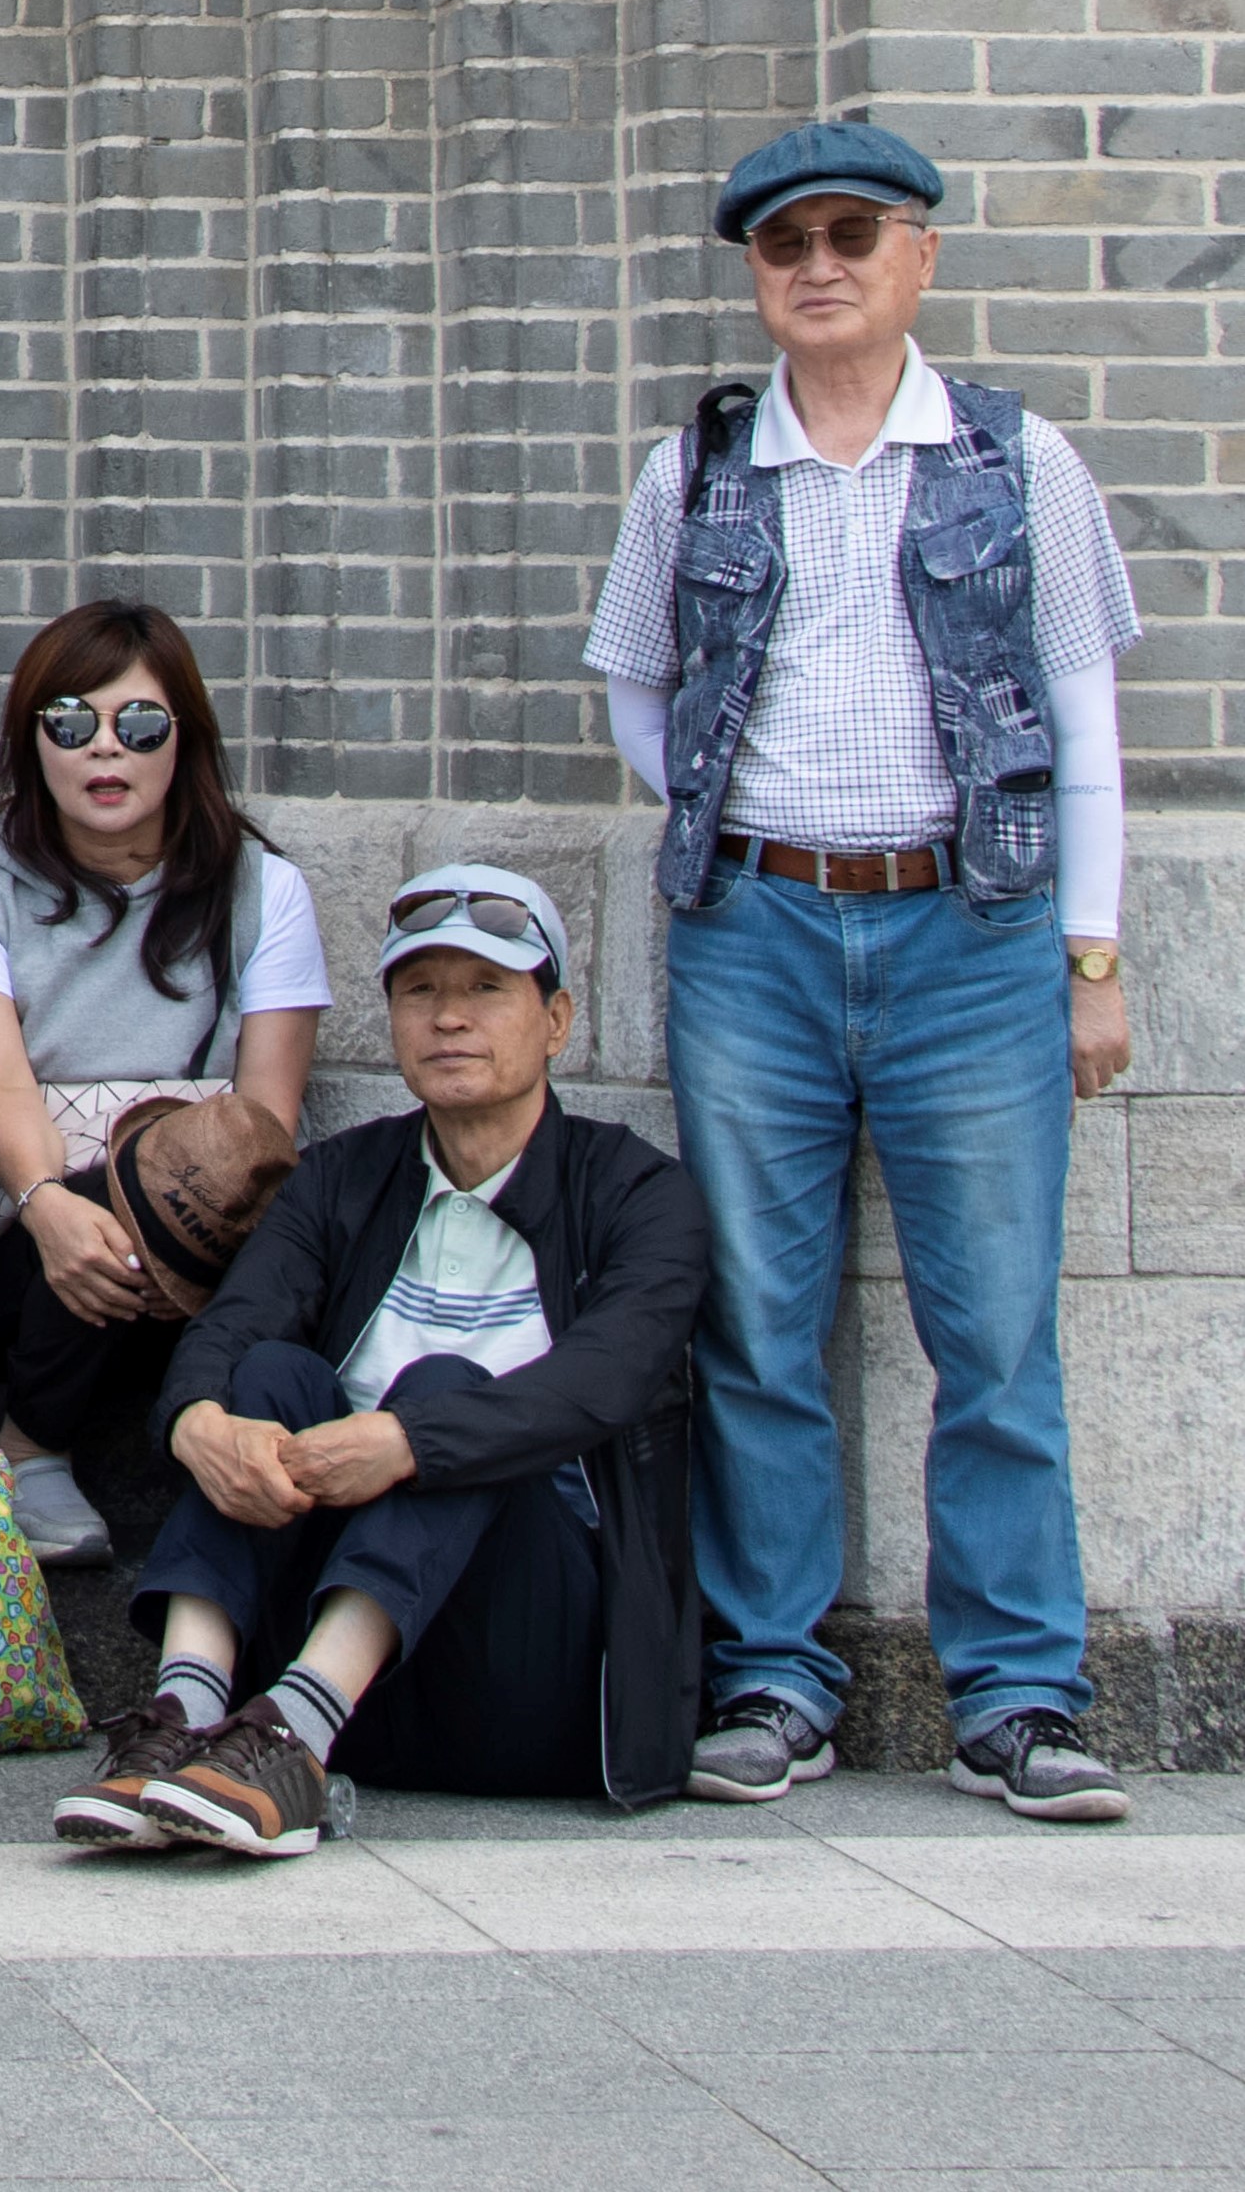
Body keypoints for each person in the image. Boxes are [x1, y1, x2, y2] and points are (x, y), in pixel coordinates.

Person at [584, 120, 1142, 1826]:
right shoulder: (700, 463)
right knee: (760, 1317)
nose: (815, 265)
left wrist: (1088, 956)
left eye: (849, 235)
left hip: (967, 934)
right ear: (755, 278)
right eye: (781, 245)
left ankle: (1019, 1691)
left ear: (918, 258)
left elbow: (1083, 722)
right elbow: (632, 677)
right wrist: (727, 816)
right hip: (754, 931)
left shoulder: (1011, 457)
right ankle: (770, 1673)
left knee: (992, 1325)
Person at [56, 870, 709, 1852]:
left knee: (443, 1393)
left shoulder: (639, 1195)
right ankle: (184, 1721)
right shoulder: (339, 1178)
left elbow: (600, 1384)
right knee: (268, 1380)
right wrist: (198, 1425)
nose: (448, 1018)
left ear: (557, 1018)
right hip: (340, 1655)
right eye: (419, 991)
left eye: (485, 989)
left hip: (532, 1672)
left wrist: (403, 1441)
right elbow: (226, 1332)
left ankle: (290, 1736)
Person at [0, 601, 329, 1568]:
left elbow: (263, 1121)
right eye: (69, 724)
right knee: (98, 1189)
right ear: (31, 742)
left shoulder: (263, 889)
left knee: (151, 1182)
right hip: (20, 1249)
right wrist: (48, 1203)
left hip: (207, 1240)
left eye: (137, 725)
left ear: (183, 739)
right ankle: (28, 1450)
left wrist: (144, 1184)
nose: (105, 751)